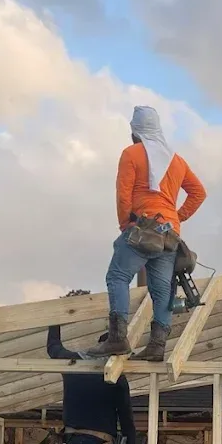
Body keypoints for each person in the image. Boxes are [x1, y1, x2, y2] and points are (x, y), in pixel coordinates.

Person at [88, 105, 207, 361]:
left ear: (136, 130)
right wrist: (177, 217)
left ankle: (118, 338)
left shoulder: (132, 153)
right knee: (162, 289)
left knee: (117, 276)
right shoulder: (176, 160)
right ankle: (157, 346)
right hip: (169, 236)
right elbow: (199, 193)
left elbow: (123, 193)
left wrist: (125, 225)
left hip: (144, 228)